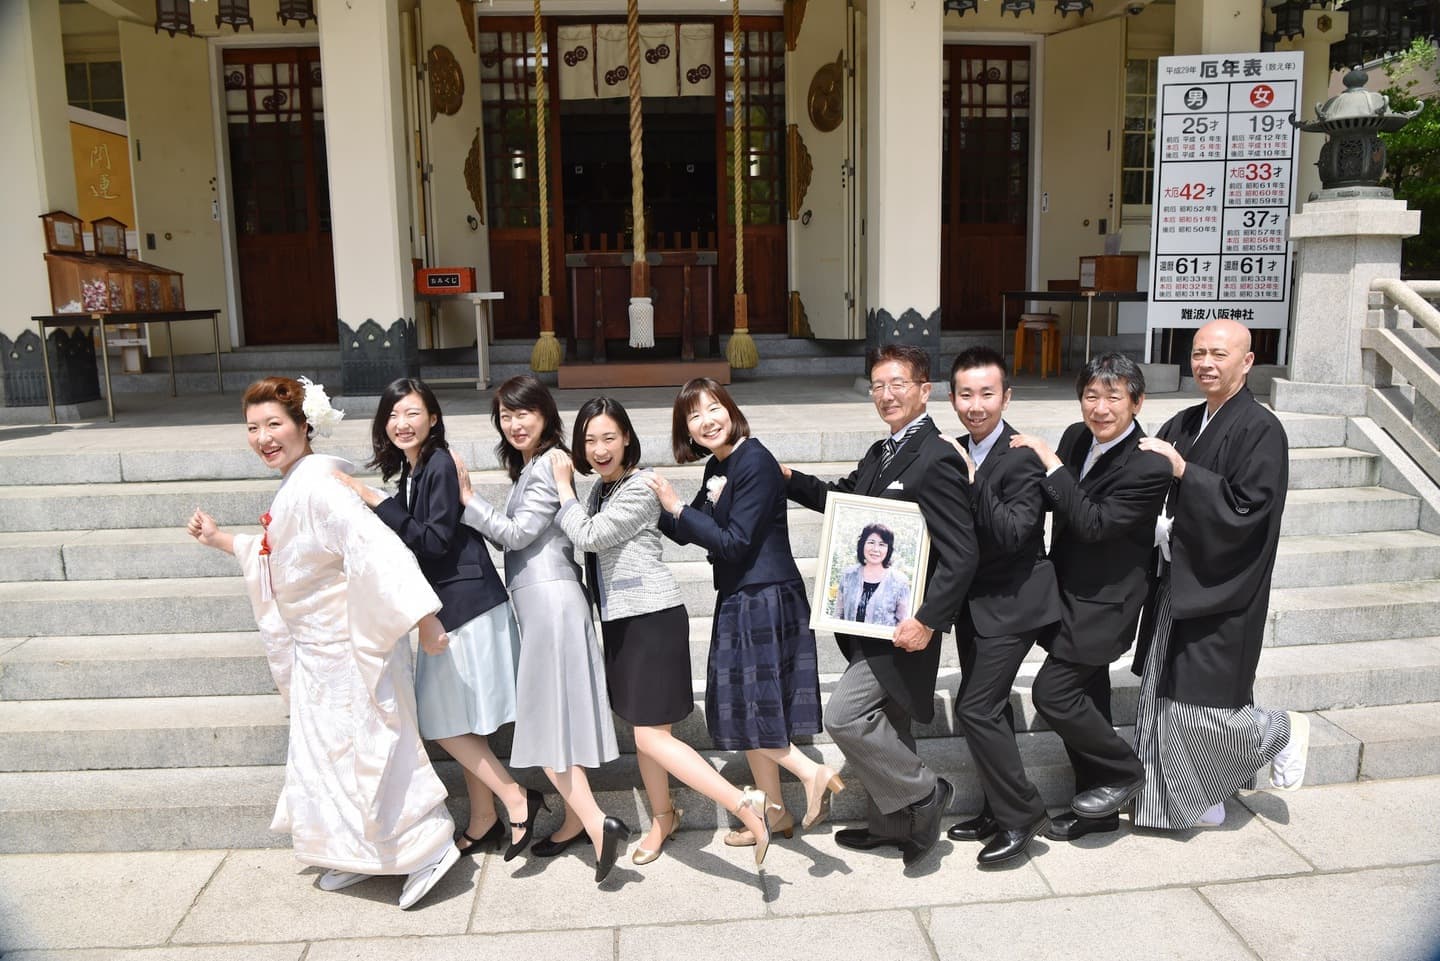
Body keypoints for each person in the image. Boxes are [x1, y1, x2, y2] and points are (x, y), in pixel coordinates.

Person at [185, 376, 459, 910]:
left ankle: (428, 848)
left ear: (304, 426)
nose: (264, 437)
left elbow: (377, 548)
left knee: (376, 752)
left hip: (351, 648)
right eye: (253, 427)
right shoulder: (297, 484)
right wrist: (221, 540)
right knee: (328, 760)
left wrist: (424, 618)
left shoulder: (319, 486)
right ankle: (359, 853)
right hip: (318, 655)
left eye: (274, 425)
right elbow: (281, 556)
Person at [550, 396, 772, 866]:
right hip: (621, 621)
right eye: (589, 440)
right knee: (644, 731)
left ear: (627, 437)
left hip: (651, 619)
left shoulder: (639, 486)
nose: (599, 448)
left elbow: (589, 536)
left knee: (652, 737)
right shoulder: (604, 489)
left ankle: (742, 804)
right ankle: (663, 816)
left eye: (609, 437)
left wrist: (562, 490)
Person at [333, 378, 542, 862]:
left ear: (432, 418)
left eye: (412, 413)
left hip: (465, 607)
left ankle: (516, 797)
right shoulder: (414, 469)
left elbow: (431, 542)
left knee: (442, 721)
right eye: (393, 415)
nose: (401, 424)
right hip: (453, 605)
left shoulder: (440, 463)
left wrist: (374, 500)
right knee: (463, 721)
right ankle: (485, 819)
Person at [785, 344, 977, 867]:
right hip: (866, 619)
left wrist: (929, 621)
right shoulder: (883, 451)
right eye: (877, 386)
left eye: (898, 384)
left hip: (903, 623)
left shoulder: (934, 455)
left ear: (923, 389)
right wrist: (789, 480)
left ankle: (925, 792)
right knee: (890, 722)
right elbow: (842, 502)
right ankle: (895, 827)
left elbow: (962, 553)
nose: (887, 395)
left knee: (845, 716)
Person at [647, 378, 843, 853]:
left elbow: (733, 541)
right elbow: (684, 527)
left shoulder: (753, 459)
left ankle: (811, 772)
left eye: (713, 408)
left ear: (730, 410)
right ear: (688, 432)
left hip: (764, 595)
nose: (706, 420)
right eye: (694, 416)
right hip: (743, 594)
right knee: (752, 704)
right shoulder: (721, 465)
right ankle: (776, 812)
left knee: (753, 707)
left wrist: (676, 506)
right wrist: (643, 496)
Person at [1132, 318, 1309, 830]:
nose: (1206, 363)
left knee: (1200, 709)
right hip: (1175, 579)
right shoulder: (1185, 422)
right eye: (1198, 353)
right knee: (1161, 699)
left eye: (1219, 354)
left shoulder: (1261, 429)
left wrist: (1186, 475)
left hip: (1224, 586)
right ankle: (1191, 803)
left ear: (1247, 362)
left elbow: (1250, 511)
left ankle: (1276, 730)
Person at [456, 374, 629, 884]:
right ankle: (576, 821)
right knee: (562, 720)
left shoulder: (551, 464)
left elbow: (517, 534)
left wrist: (468, 499)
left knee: (545, 723)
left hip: (549, 601)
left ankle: (599, 823)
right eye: (505, 416)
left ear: (545, 414)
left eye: (523, 412)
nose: (514, 423)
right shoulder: (536, 466)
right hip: (549, 601)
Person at [1009, 354, 1172, 842]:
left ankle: (1125, 771)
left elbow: (1094, 523)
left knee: (1053, 694)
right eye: (1091, 396)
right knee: (1090, 703)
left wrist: (1053, 466)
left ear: (1137, 402)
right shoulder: (1077, 437)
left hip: (1107, 604)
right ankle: (1094, 808)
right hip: (1067, 591)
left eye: (1113, 397)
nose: (1100, 408)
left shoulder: (1150, 464)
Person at [941, 346, 1061, 865]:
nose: (976, 404)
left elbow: (1015, 534)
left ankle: (1023, 812)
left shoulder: (1022, 456)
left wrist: (970, 478)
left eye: (987, 394)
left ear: (1006, 396)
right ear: (952, 398)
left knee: (975, 707)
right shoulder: (963, 447)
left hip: (1015, 605)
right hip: (975, 605)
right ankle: (996, 806)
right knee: (989, 708)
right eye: (965, 394)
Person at [832, 523, 912, 627]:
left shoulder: (900, 582)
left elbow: (903, 622)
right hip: (850, 641)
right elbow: (838, 614)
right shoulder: (848, 575)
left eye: (882, 544)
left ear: (888, 549)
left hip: (884, 643)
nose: (875, 549)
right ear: (862, 545)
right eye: (871, 542)